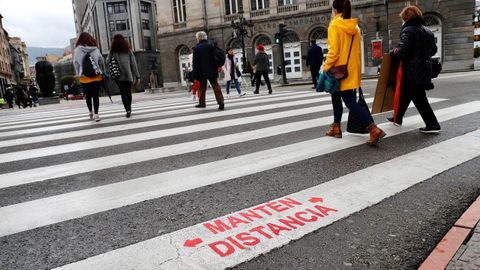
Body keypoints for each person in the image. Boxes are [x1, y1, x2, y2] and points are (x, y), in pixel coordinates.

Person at [323, 0, 385, 146]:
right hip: (351, 70)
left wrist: (325, 68)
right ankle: (336, 127)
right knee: (335, 96)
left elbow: (333, 52)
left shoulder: (334, 25)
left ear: (334, 9)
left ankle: (374, 129)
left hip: (338, 70)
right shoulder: (354, 27)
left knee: (350, 102)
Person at [387, 6, 441, 133]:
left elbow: (402, 51)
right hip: (424, 70)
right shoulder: (428, 31)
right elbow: (433, 50)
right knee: (405, 94)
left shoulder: (408, 30)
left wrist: (392, 52)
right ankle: (398, 118)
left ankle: (433, 124)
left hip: (412, 71)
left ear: (406, 18)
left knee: (419, 98)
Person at [73, 32, 105, 122]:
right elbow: (101, 61)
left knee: (88, 96)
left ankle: (90, 112)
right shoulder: (95, 49)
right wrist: (101, 70)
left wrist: (78, 72)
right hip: (96, 76)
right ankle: (96, 114)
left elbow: (75, 63)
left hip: (84, 77)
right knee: (95, 95)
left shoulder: (77, 50)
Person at [107, 34, 140, 118]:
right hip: (128, 75)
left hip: (118, 76)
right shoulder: (128, 50)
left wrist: (112, 55)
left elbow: (107, 61)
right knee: (128, 92)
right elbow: (134, 64)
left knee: (123, 93)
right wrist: (137, 76)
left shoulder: (113, 51)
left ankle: (127, 110)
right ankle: (129, 107)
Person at [192, 31, 225, 110]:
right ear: (205, 37)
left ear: (198, 38)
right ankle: (221, 101)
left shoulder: (197, 48)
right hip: (212, 69)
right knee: (215, 86)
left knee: (202, 87)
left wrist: (195, 74)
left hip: (201, 71)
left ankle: (202, 103)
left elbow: (195, 62)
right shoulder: (211, 45)